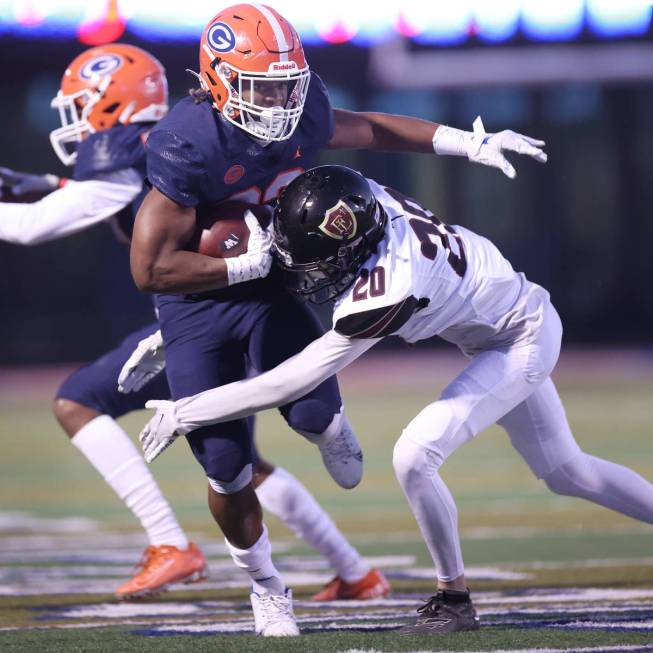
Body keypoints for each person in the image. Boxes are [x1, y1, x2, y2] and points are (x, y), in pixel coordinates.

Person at [128, 2, 547, 637]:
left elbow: (373, 128)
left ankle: (329, 425)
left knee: (315, 411)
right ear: (216, 83)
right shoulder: (188, 144)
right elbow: (152, 269)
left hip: (274, 286)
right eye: (259, 87)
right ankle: (267, 587)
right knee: (226, 467)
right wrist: (237, 270)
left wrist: (466, 141)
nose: (277, 100)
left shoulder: (301, 108)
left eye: (286, 84)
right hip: (200, 304)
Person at [138, 164, 653, 636]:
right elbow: (310, 240)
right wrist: (187, 331)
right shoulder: (365, 199)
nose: (311, 275)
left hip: (520, 339)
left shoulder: (391, 284)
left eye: (321, 264)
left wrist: (188, 410)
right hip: (508, 322)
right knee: (568, 472)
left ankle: (453, 600)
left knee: (414, 457)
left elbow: (291, 381)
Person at [0, 42, 388, 604]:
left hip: (207, 310)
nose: (78, 117)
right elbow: (94, 196)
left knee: (78, 401)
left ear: (112, 106)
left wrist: (34, 195)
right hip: (242, 300)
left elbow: (36, 225)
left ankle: (168, 543)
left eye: (85, 103)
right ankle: (355, 573)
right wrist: (35, 184)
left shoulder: (140, 152)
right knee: (238, 466)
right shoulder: (180, 139)